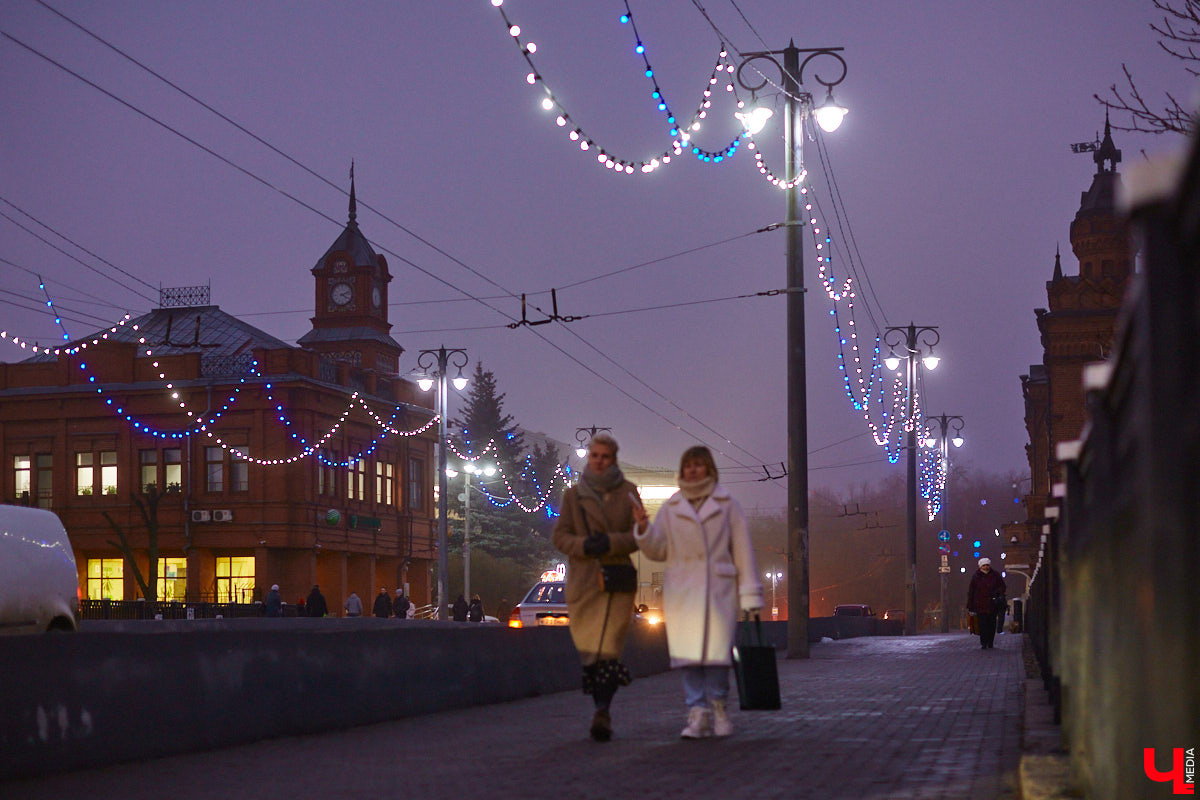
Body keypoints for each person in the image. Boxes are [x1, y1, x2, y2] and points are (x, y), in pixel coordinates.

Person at [635, 445, 763, 739]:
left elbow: (742, 549)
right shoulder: (672, 506)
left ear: (709, 468)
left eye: (698, 465)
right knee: (689, 657)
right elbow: (659, 549)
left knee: (717, 656)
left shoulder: (727, 503)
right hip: (684, 591)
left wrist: (750, 593)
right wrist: (643, 528)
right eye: (687, 465)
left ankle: (719, 709)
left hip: (718, 589)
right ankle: (697, 714)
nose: (692, 470)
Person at [551, 431, 645, 742]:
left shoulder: (629, 492)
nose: (600, 461)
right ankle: (601, 703)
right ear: (589, 458)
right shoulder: (572, 495)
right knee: (591, 652)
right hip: (585, 584)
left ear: (613, 459)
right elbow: (560, 537)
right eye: (595, 456)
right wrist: (584, 545)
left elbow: (637, 536)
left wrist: (610, 542)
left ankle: (602, 710)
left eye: (605, 456)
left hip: (617, 581)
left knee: (609, 649)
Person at [967, 557, 1006, 649]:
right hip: (980, 604)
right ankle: (984, 642)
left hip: (992, 604)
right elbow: (971, 591)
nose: (986, 567)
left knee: (992, 624)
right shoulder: (976, 577)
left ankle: (990, 642)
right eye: (984, 565)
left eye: (987, 565)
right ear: (980, 566)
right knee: (982, 625)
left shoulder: (995, 575)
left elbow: (1002, 586)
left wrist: (997, 593)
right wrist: (970, 605)